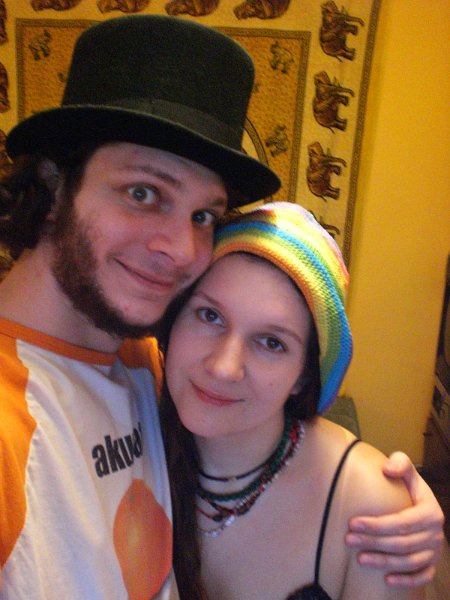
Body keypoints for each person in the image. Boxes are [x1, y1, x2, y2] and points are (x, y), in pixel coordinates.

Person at [0, 14, 443, 600]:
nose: (182, 249)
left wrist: (390, 499)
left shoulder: (143, 358)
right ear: (55, 184)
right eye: (143, 193)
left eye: (203, 215)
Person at [159, 202, 427, 599]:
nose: (224, 367)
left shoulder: (368, 504)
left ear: (303, 375)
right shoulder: (127, 429)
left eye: (271, 342)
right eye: (209, 315)